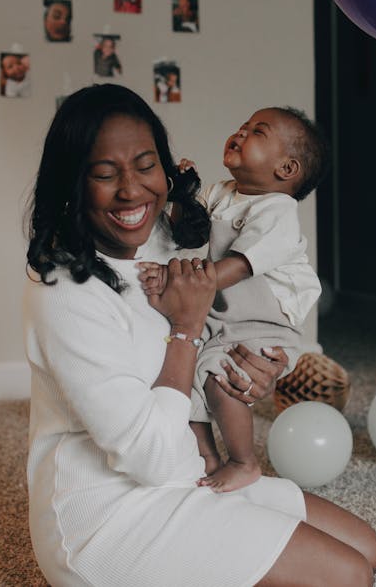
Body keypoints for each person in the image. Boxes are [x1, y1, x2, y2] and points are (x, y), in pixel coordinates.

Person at [24, 84, 376, 586]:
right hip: (111, 516)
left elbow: (248, 312)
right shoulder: (63, 291)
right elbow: (148, 458)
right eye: (105, 174)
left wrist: (262, 369)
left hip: (192, 474)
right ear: (73, 183)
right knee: (346, 578)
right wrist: (186, 329)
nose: (131, 190)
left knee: (367, 549)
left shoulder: (174, 240)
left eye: (146, 166)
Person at [137, 106, 327, 493]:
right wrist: (181, 193)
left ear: (286, 170)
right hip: (226, 312)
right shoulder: (220, 193)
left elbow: (240, 265)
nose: (240, 132)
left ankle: (244, 461)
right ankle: (206, 456)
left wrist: (180, 283)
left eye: (258, 132)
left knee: (222, 380)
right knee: (186, 374)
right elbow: (187, 235)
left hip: (264, 318)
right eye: (241, 125)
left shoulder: (278, 210)